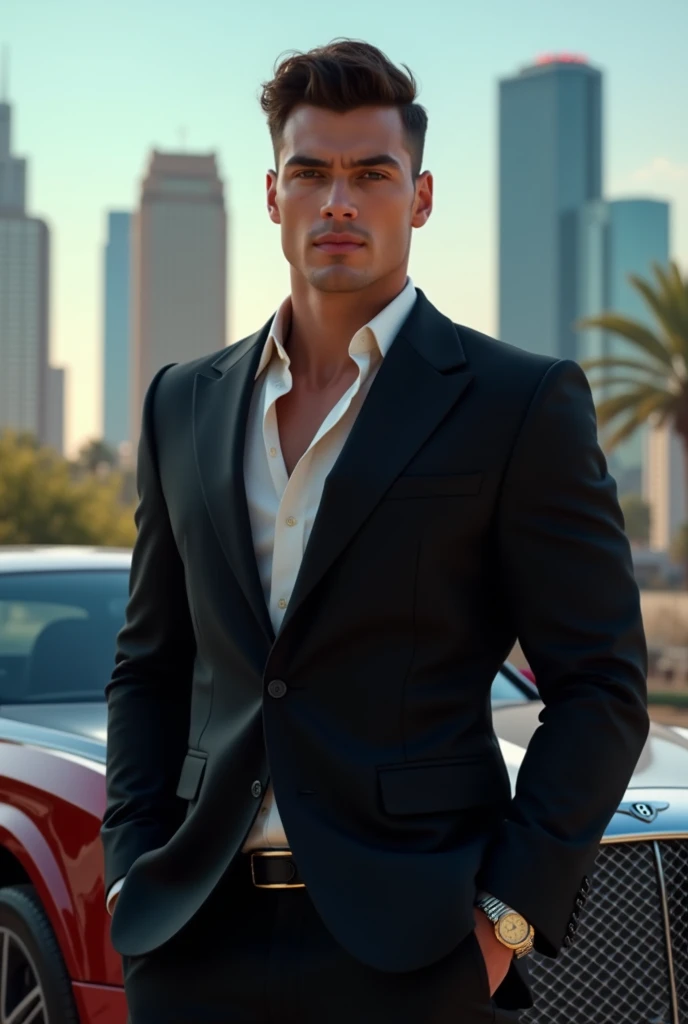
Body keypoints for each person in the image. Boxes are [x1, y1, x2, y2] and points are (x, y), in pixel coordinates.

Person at [102, 39, 649, 1024]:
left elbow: (601, 687)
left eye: (370, 174)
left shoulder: (517, 404)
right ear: (273, 195)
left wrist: (504, 922)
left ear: (422, 197)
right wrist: (132, 864)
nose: (338, 201)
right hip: (192, 942)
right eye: (311, 172)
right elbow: (150, 664)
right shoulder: (180, 404)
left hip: (414, 955)